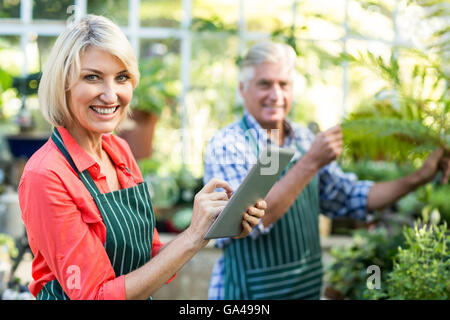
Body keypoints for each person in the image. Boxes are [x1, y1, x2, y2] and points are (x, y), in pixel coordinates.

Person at [18, 15, 266, 300]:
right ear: (63, 84)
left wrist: (211, 226)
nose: (111, 95)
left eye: (121, 78)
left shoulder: (119, 150)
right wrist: (192, 236)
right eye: (92, 77)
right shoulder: (47, 175)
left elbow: (151, 259)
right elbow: (95, 296)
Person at [203, 41, 450, 300]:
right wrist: (310, 162)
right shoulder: (229, 144)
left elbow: (353, 197)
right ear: (243, 88)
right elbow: (249, 219)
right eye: (265, 84)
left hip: (305, 292)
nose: (276, 95)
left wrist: (419, 177)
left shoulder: (303, 138)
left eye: (284, 84)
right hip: (247, 296)